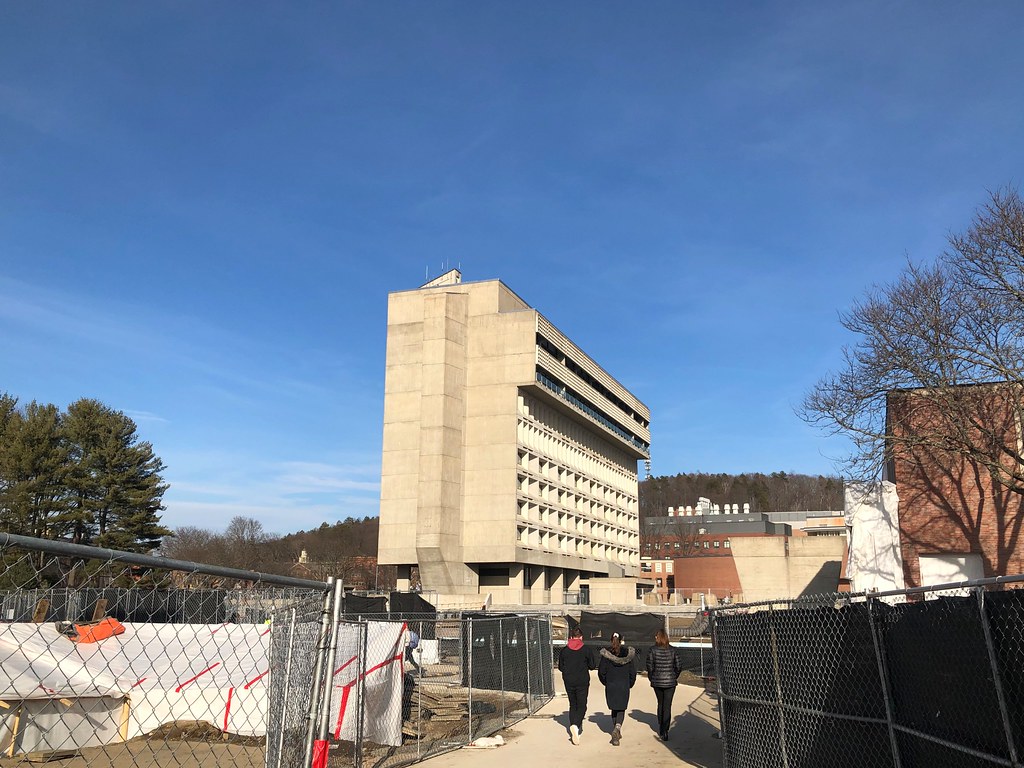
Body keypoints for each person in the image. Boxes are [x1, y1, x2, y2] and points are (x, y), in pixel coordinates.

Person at [557, 626, 596, 745]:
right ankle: (575, 725)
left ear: (571, 637)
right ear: (581, 637)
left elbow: (560, 667)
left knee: (573, 704)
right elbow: (592, 665)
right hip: (582, 681)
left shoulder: (564, 650)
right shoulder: (586, 650)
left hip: (569, 680)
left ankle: (574, 728)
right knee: (582, 705)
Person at [598, 631, 636, 746]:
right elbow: (632, 672)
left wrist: (606, 682)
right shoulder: (628, 654)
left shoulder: (606, 654)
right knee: (621, 708)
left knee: (614, 708)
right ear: (621, 641)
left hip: (611, 685)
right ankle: (617, 728)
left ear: (611, 641)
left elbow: (601, 672)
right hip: (623, 685)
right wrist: (630, 683)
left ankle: (615, 730)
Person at [646, 628, 684, 740]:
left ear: (657, 638)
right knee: (667, 706)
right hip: (670, 681)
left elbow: (649, 666)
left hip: (657, 681)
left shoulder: (652, 650)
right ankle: (666, 730)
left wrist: (652, 677)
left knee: (660, 703)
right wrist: (673, 676)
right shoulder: (673, 650)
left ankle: (661, 727)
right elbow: (678, 666)